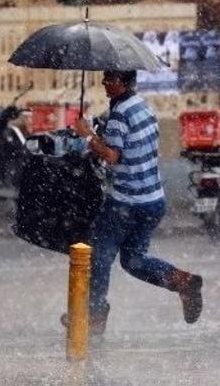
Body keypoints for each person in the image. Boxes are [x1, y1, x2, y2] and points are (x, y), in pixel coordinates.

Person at [67, 69, 203, 335]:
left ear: (123, 83)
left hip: (126, 202)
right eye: (105, 78)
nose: (105, 83)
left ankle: (94, 316)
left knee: (98, 257)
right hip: (153, 200)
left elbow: (112, 156)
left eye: (110, 79)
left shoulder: (120, 114)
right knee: (133, 260)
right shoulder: (143, 107)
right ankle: (182, 282)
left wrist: (87, 135)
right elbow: (132, 147)